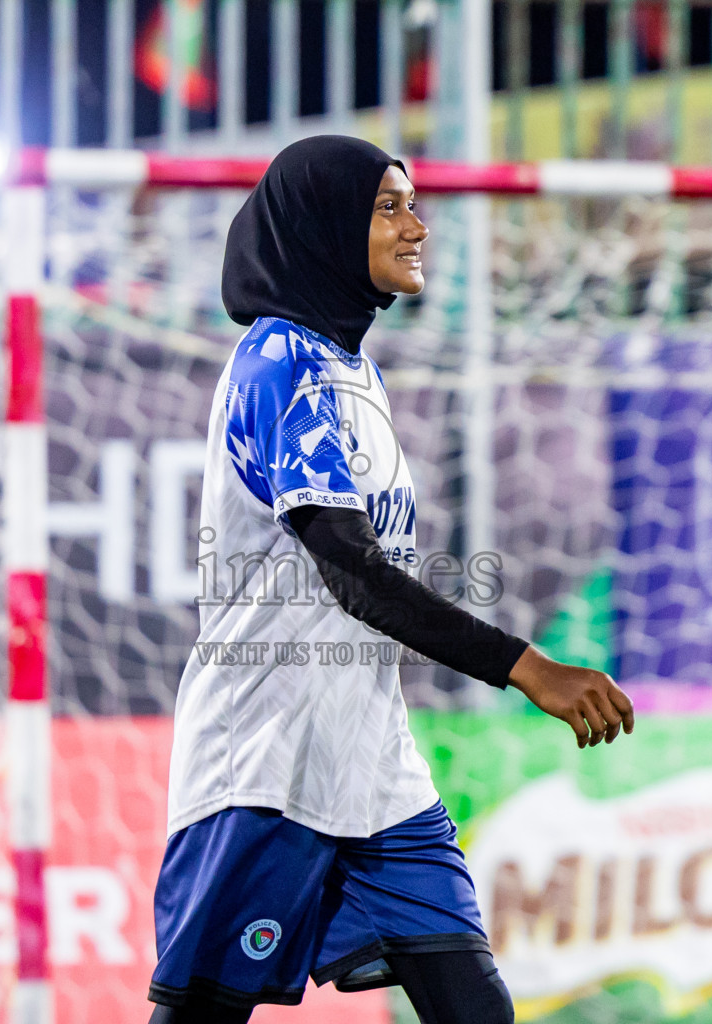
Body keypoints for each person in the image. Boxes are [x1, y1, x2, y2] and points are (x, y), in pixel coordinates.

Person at [148, 135, 634, 1024]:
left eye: (413, 203)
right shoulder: (280, 364)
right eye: (388, 207)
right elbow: (356, 577)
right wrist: (527, 667)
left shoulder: (349, 368)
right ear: (326, 227)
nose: (417, 226)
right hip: (265, 760)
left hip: (373, 764)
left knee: (478, 1011)